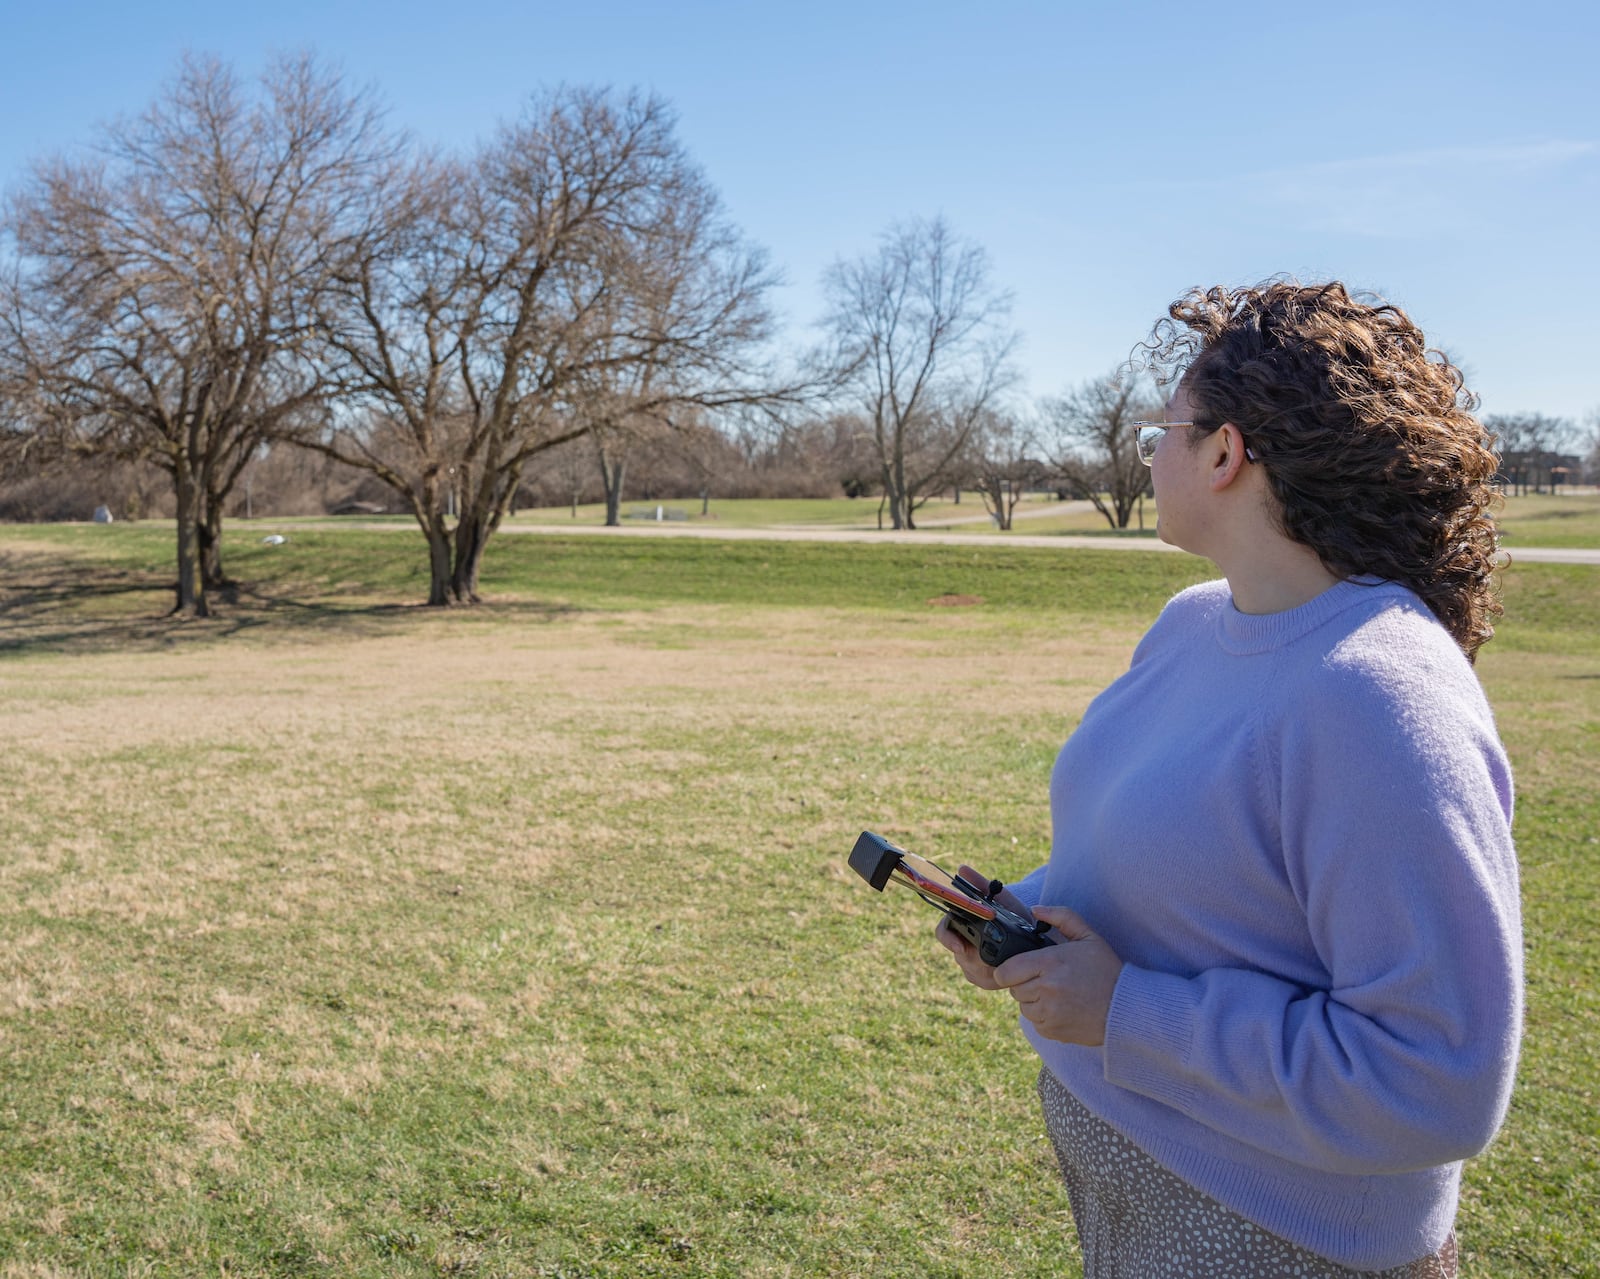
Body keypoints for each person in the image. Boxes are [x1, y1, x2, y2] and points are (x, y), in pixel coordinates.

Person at [938, 280, 1522, 1277]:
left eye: (1162, 427)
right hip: (1137, 1201)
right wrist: (1026, 918)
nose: (1150, 450)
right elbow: (1183, 873)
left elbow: (1437, 1082)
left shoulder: (1379, 693)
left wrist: (1126, 1013)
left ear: (1224, 453)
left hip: (1281, 1243)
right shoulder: (1193, 622)